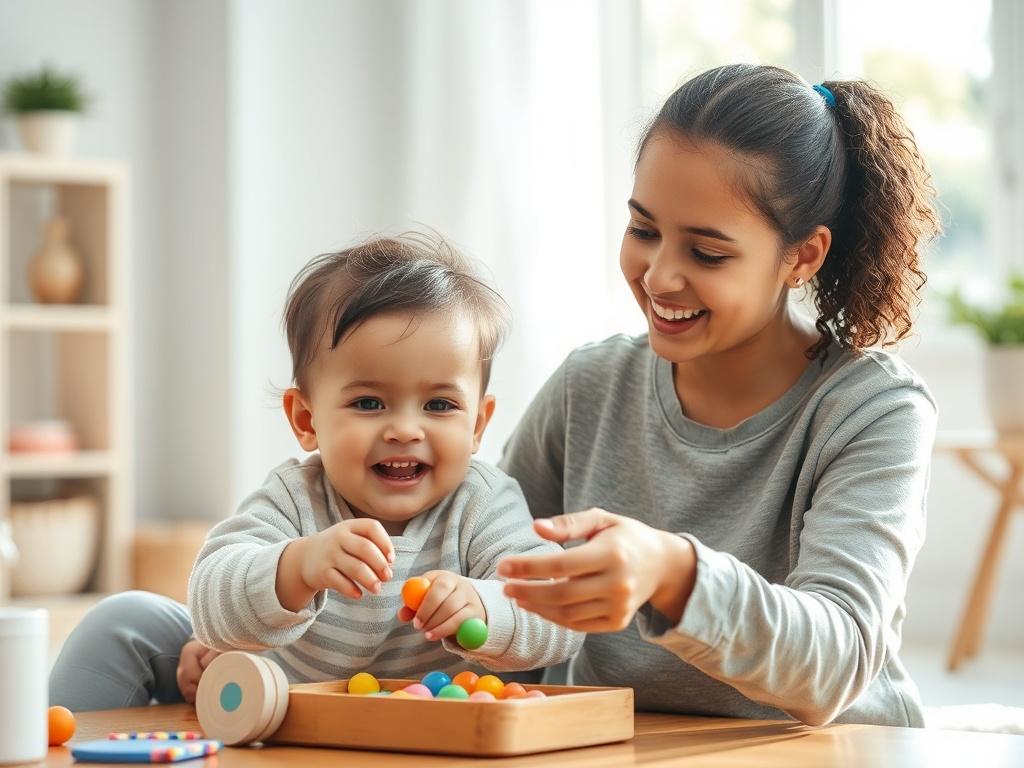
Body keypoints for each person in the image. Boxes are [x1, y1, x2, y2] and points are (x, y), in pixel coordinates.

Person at [495, 63, 941, 728]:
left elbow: (839, 660)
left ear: (802, 257)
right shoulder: (587, 387)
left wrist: (672, 574)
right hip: (618, 744)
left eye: (707, 253)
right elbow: (494, 587)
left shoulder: (872, 411)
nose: (659, 275)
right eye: (644, 230)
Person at [49, 234, 582, 711]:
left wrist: (485, 607)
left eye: (440, 405)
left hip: (438, 739)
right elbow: (211, 596)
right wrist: (295, 568)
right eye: (370, 403)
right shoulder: (295, 497)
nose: (404, 430)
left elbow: (561, 614)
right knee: (125, 621)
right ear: (307, 420)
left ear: (478, 424)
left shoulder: (483, 503)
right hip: (275, 720)